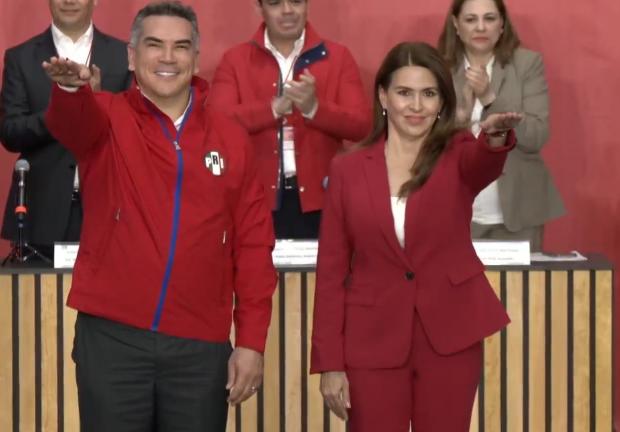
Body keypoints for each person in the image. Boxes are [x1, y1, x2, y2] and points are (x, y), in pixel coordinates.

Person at [42, 2, 276, 431]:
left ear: (196, 58)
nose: (168, 58)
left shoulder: (231, 138)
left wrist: (251, 342)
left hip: (199, 348)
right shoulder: (106, 116)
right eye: (154, 46)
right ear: (132, 57)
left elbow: (255, 245)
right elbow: (70, 124)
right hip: (113, 341)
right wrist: (73, 91)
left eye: (180, 47)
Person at [310, 42, 521, 432]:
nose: (416, 105)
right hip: (371, 339)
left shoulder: (459, 153)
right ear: (383, 96)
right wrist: (330, 362)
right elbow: (332, 272)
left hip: (449, 335)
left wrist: (493, 139)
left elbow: (484, 164)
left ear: (442, 101)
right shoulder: (348, 169)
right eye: (404, 93)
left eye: (428, 94)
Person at [208, 0, 370, 239]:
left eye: (296, 1)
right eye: (275, 3)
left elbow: (362, 126)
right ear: (259, 7)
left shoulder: (338, 57)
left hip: (322, 200)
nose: (287, 11)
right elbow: (215, 122)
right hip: (253, 198)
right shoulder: (235, 59)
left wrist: (314, 108)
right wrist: (273, 108)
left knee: (319, 276)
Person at [0, 0, 132, 260]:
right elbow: (10, 131)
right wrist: (64, 107)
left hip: (111, 208)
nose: (69, 0)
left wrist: (96, 103)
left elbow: (136, 130)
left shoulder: (123, 55)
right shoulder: (20, 57)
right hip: (41, 212)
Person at [437, 0, 564, 251]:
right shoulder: (439, 68)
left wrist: (489, 98)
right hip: (454, 211)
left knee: (519, 291)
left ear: (503, 24)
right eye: (471, 19)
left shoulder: (527, 64)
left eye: (490, 18)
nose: (481, 27)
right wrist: (459, 119)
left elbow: (536, 136)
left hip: (518, 212)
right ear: (456, 25)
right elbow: (423, 142)